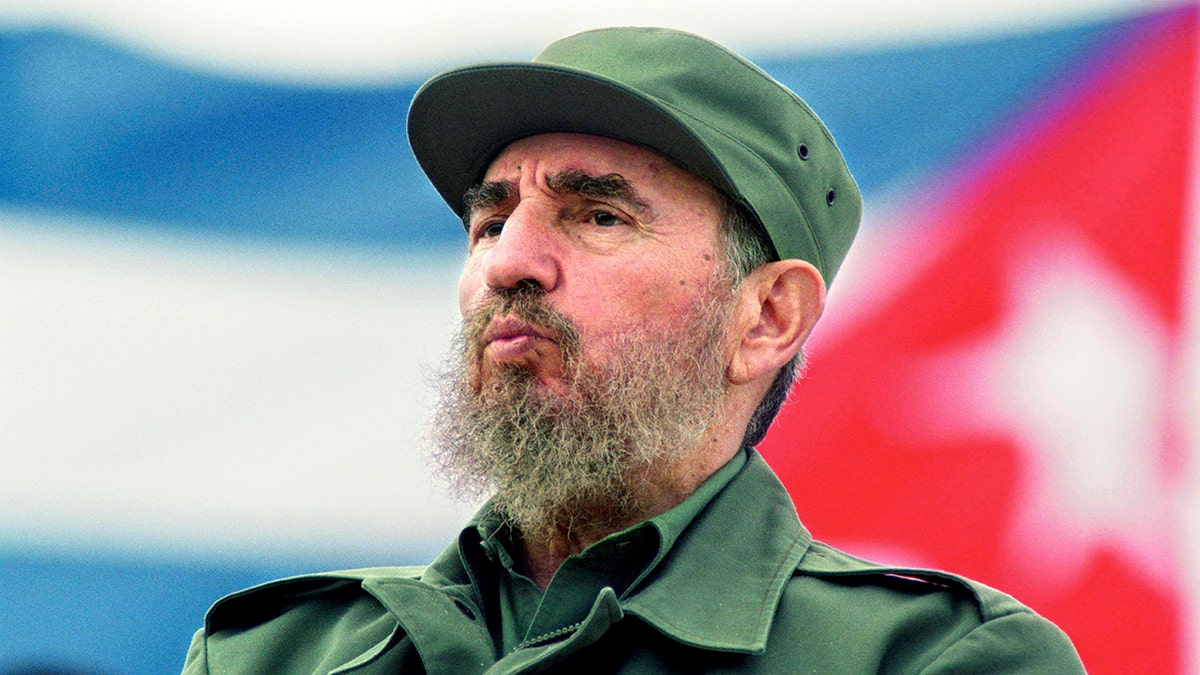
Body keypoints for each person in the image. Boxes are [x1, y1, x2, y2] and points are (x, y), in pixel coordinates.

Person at [181, 27, 1085, 674]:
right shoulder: (275, 653)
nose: (509, 262)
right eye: (490, 219)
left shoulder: (934, 658)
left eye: (598, 215)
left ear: (767, 317)